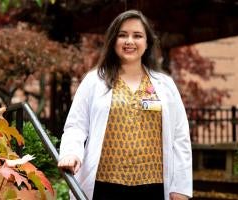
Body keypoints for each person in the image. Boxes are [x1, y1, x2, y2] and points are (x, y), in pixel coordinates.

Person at [58, 9, 192, 200]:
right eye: (122, 35)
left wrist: (180, 187)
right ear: (113, 41)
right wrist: (71, 153)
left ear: (147, 43)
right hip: (104, 186)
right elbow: (76, 126)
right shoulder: (94, 81)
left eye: (137, 36)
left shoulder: (165, 85)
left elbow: (180, 137)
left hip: (153, 186)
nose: (129, 41)